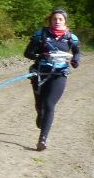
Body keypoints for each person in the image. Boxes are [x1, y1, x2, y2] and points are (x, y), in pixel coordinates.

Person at [23, 8, 80, 151]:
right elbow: (28, 53)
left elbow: (77, 53)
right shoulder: (40, 35)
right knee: (40, 105)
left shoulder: (71, 38)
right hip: (39, 73)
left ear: (65, 21)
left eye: (60, 19)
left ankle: (42, 139)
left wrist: (75, 61)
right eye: (55, 19)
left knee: (49, 104)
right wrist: (40, 55)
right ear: (50, 21)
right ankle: (40, 115)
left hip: (59, 74)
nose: (57, 21)